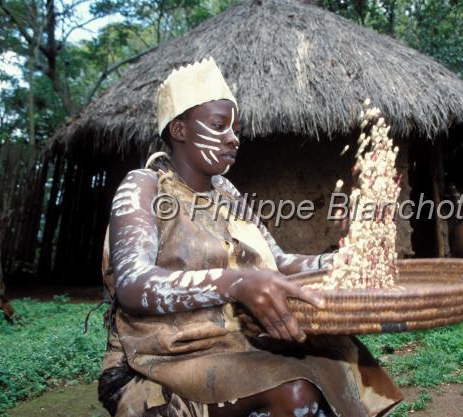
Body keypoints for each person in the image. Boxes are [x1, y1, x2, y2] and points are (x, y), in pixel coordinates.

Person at [98, 57, 403, 417]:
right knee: (295, 394)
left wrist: (341, 261)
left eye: (235, 128)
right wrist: (236, 283)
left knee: (341, 357)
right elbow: (133, 285)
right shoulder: (144, 186)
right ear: (179, 130)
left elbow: (278, 262)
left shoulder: (226, 192)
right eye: (218, 125)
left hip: (230, 343)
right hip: (156, 358)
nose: (232, 137)